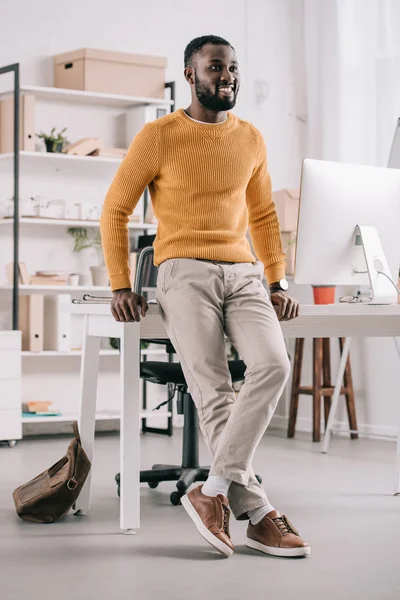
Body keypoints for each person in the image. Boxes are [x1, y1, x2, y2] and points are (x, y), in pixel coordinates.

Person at [100, 34, 310, 559]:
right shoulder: (159, 136)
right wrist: (121, 283)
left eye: (234, 68)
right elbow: (114, 210)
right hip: (182, 270)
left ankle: (211, 490)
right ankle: (260, 515)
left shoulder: (252, 139)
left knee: (273, 365)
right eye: (216, 68)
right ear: (191, 76)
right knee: (214, 387)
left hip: (242, 272)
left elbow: (263, 216)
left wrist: (278, 279)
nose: (228, 76)